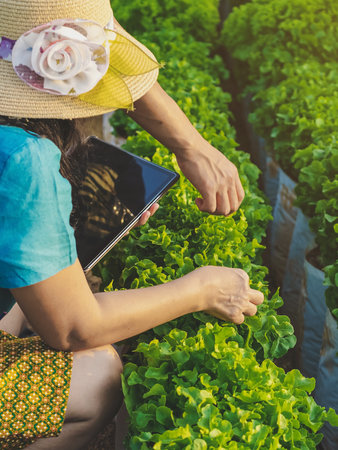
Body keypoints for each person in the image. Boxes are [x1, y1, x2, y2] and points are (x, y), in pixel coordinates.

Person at [0, 1, 264, 448]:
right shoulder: (25, 158)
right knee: (98, 372)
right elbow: (71, 328)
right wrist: (200, 289)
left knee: (33, 306)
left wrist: (61, 250)